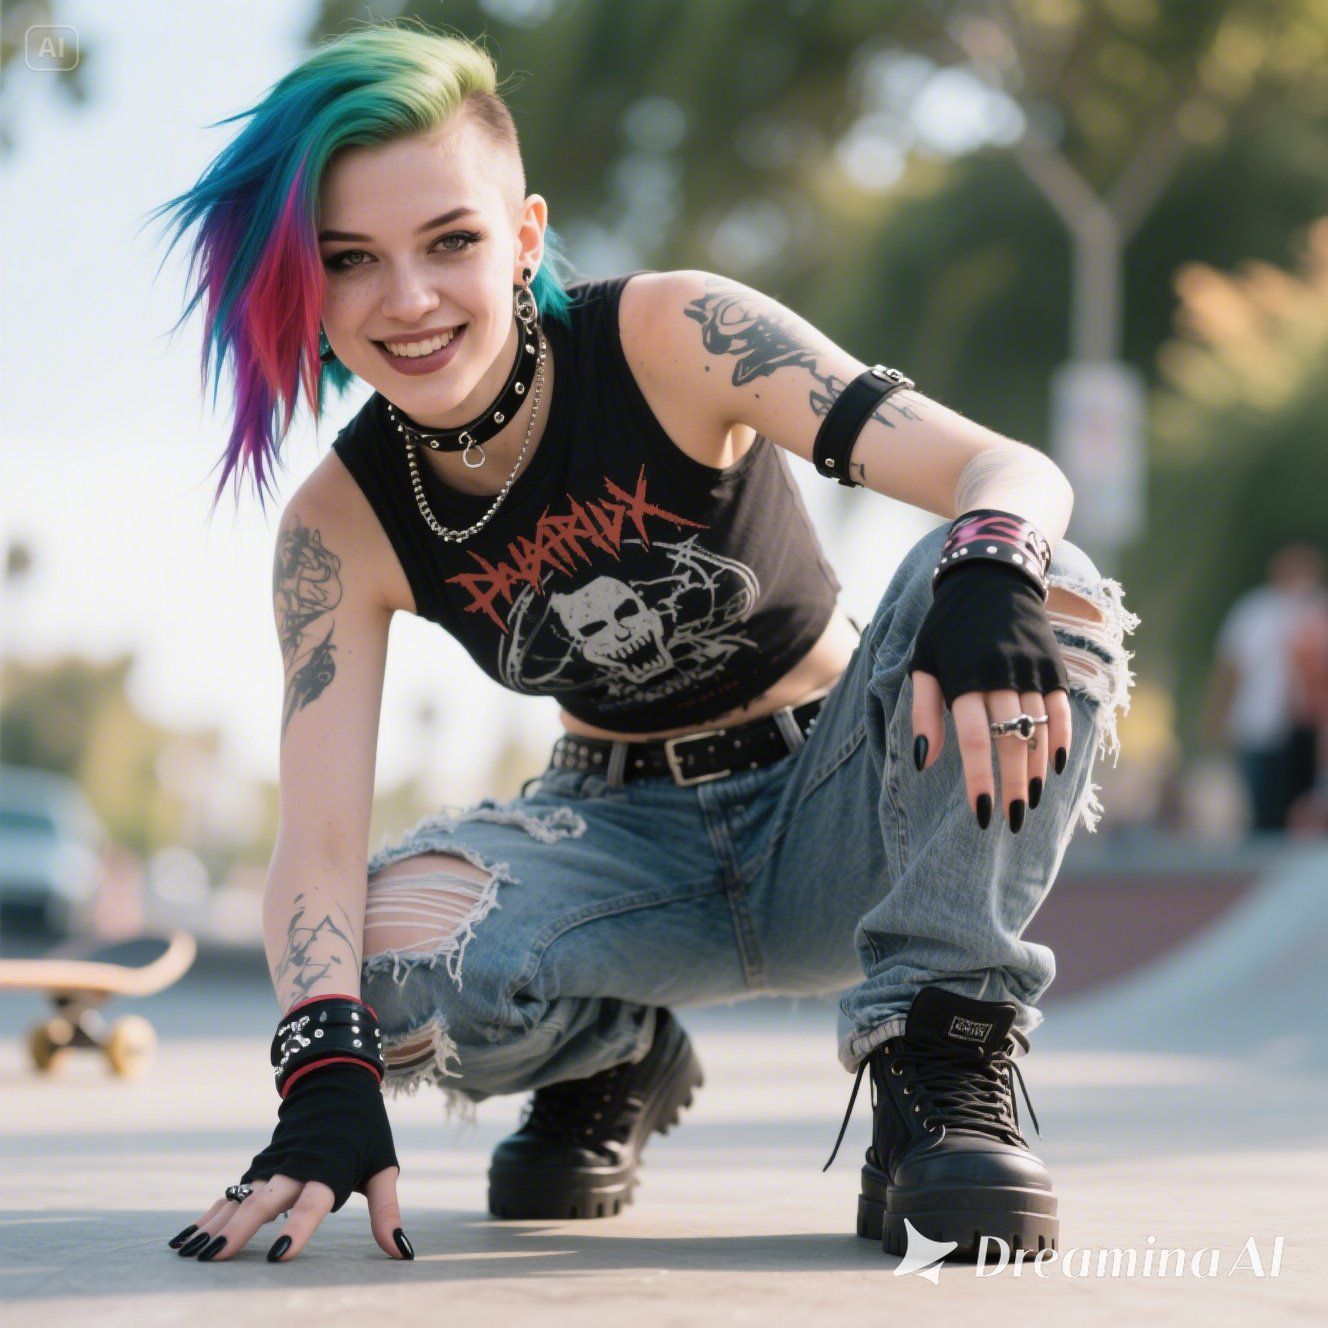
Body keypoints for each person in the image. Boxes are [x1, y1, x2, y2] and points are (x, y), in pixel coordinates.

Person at [149, 22, 1136, 1267]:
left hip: (852, 809)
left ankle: (938, 1054)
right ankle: (612, 1048)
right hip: (616, 850)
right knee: (384, 951)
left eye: (450, 240)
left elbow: (1007, 467)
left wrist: (989, 560)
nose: (406, 299)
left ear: (520, 236)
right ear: (308, 284)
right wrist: (321, 1074)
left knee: (1050, 591)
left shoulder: (673, 336)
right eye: (351, 261)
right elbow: (318, 842)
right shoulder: (336, 527)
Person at [1203, 544, 1327, 833]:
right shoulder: (1255, 612)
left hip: (1309, 726)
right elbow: (1231, 669)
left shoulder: (1317, 611)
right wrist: (1218, 716)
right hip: (1262, 723)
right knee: (1265, 804)